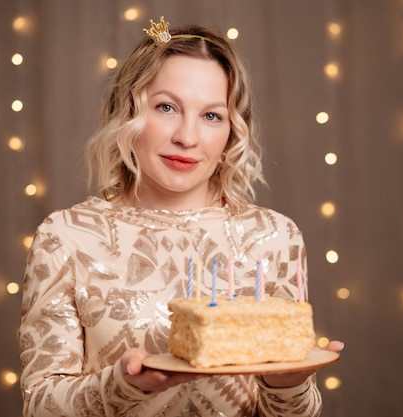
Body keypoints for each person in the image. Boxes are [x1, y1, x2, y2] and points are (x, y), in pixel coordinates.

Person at [19, 16, 343, 417]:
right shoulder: (66, 237)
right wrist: (122, 385)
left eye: (211, 116)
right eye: (167, 107)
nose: (187, 137)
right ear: (127, 113)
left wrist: (287, 384)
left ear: (231, 132)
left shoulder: (274, 237)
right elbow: (40, 406)